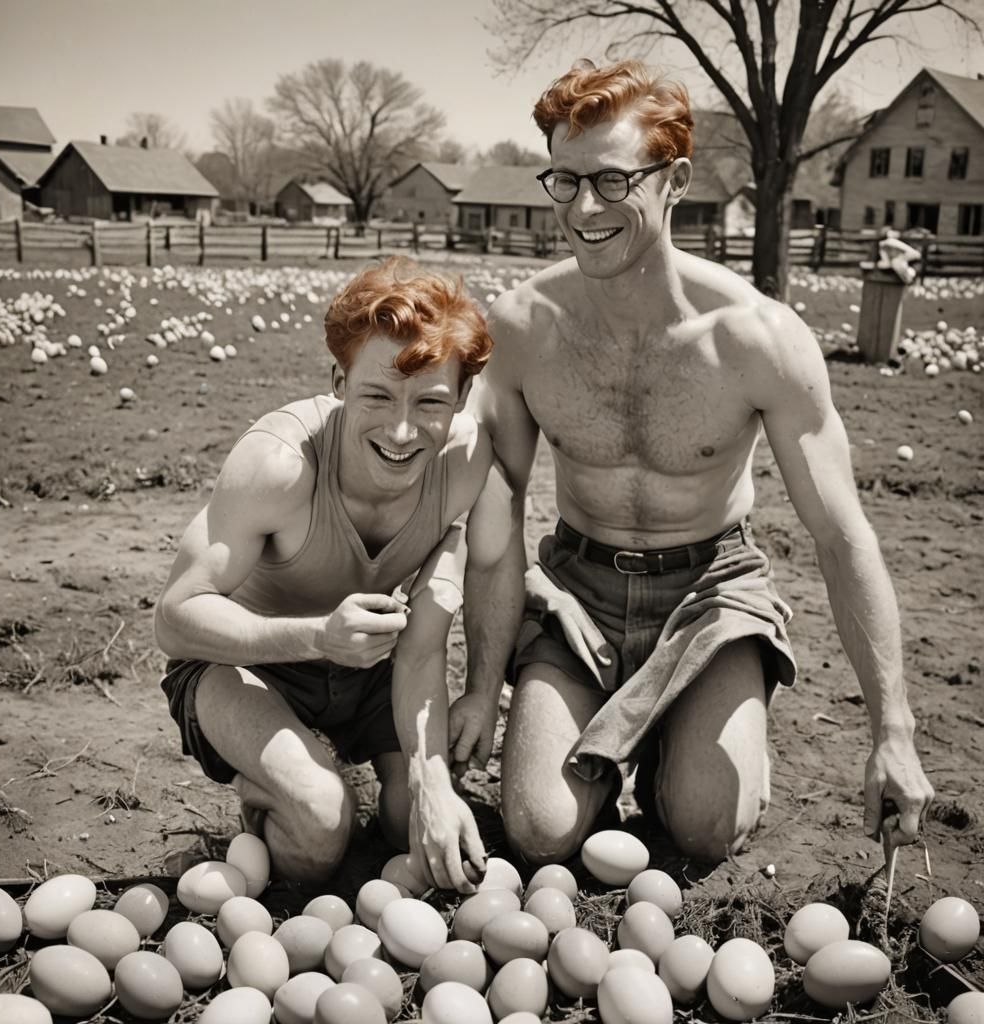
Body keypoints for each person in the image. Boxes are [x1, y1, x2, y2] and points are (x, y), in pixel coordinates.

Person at [455, 59, 934, 865]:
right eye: (563, 181)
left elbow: (842, 535)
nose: (582, 209)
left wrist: (894, 727)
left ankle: (704, 728)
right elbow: (487, 503)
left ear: (673, 181)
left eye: (611, 183)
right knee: (539, 831)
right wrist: (529, 595)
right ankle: (607, 743)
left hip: (714, 589)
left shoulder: (758, 339)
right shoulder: (522, 329)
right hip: (579, 587)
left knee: (706, 827)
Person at [155, 256, 510, 892]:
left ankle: (332, 774)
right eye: (377, 394)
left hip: (369, 666)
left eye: (430, 402)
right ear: (339, 382)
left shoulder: (465, 464)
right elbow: (177, 620)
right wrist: (316, 637)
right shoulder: (278, 463)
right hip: (241, 666)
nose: (401, 430)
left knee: (416, 826)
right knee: (319, 830)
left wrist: (431, 782)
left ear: (461, 399)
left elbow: (425, 643)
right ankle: (269, 793)